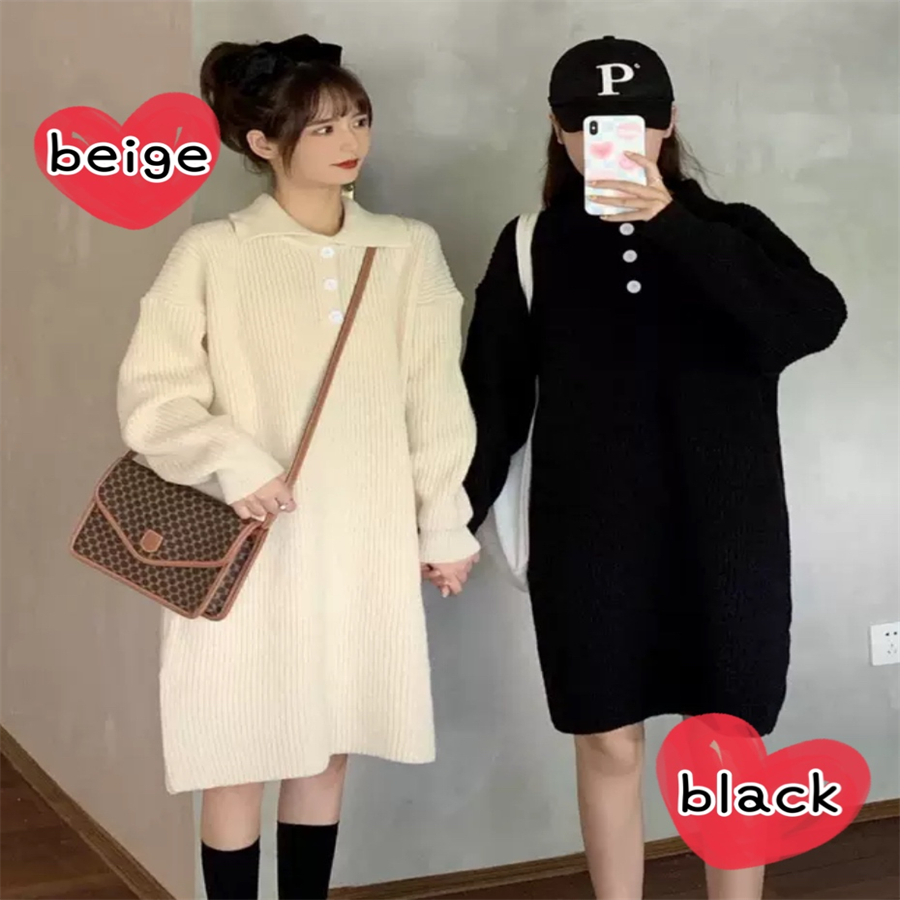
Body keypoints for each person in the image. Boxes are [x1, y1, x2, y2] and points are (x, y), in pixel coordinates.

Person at [460, 36, 847, 900]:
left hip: (729, 535)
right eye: (591, 125)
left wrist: (672, 224)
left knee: (729, 739)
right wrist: (449, 521)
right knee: (606, 739)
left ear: (669, 123)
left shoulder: (730, 231)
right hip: (589, 539)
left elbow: (811, 320)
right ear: (559, 131)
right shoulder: (530, 245)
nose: (615, 141)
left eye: (635, 123)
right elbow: (491, 400)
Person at [116, 34, 479, 900]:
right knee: (235, 754)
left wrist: (444, 523)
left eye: (358, 119)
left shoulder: (406, 248)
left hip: (360, 539)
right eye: (323, 127)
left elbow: (434, 399)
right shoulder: (213, 252)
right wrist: (233, 460)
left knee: (327, 745)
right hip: (246, 545)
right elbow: (154, 395)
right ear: (262, 142)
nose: (351, 139)